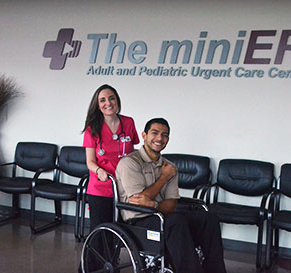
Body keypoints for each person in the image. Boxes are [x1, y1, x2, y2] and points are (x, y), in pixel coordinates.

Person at [115, 118, 226, 273]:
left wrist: (154, 204)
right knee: (175, 221)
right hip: (137, 221)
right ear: (144, 135)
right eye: (155, 133)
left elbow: (171, 205)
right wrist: (163, 178)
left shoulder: (169, 166)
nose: (160, 138)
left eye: (165, 135)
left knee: (209, 218)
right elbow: (138, 202)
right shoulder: (130, 163)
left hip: (163, 215)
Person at [82, 84, 139, 233]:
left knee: (121, 230)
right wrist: (99, 171)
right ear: (98, 105)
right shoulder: (92, 128)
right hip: (101, 187)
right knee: (101, 230)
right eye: (103, 100)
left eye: (111, 98)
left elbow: (132, 153)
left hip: (124, 187)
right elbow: (90, 161)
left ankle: (113, 257)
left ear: (117, 101)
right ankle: (96, 257)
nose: (108, 103)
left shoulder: (128, 123)